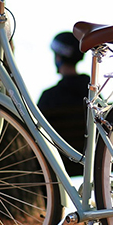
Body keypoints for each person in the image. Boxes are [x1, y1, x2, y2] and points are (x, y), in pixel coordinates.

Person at [37, 31, 90, 176]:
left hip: (56, 163)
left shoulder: (49, 97)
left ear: (58, 57)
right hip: (91, 161)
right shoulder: (92, 95)